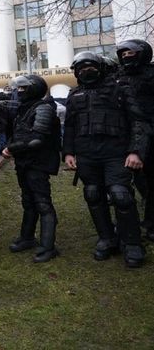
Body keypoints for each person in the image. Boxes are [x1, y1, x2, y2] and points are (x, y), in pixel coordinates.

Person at [63, 51, 148, 268]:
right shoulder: (74, 95)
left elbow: (138, 121)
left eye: (90, 67)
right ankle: (107, 238)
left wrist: (136, 151)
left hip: (116, 153)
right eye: (81, 68)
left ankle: (132, 244)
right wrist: (69, 153)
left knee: (121, 196)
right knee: (92, 194)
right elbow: (70, 127)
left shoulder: (120, 88)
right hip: (86, 155)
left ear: (99, 68)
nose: (85, 71)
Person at [1, 74, 61, 263]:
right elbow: (18, 133)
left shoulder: (43, 108)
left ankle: (47, 246)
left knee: (42, 203)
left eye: (23, 89)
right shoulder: (23, 109)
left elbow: (37, 140)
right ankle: (27, 238)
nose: (19, 92)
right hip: (24, 162)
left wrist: (11, 148)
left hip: (38, 162)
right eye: (18, 89)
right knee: (28, 201)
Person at [113, 39, 154, 241]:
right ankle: (128, 223)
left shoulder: (151, 75)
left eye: (131, 53)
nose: (127, 56)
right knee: (130, 181)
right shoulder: (117, 77)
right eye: (124, 54)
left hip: (150, 133)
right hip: (124, 135)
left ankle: (151, 223)